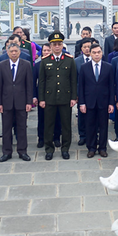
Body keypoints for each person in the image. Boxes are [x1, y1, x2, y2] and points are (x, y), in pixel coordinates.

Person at [39, 31, 78, 160]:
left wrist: (73, 97)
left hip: (65, 98)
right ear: (50, 46)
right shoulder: (45, 61)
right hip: (49, 99)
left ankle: (65, 148)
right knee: (48, 125)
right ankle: (49, 149)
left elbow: (73, 80)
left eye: (59, 44)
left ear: (62, 45)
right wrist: (41, 99)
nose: (57, 47)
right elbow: (42, 82)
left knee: (66, 125)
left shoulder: (69, 60)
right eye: (54, 44)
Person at [0, 42, 33, 162]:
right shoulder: (2, 65)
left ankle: (22, 151)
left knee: (22, 127)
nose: (14, 53)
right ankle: (7, 152)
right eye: (11, 51)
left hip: (21, 101)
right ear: (7, 52)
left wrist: (29, 102)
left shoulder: (26, 64)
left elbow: (29, 85)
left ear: (19, 52)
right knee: (6, 128)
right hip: (6, 102)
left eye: (16, 51)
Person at [78, 43, 115, 158]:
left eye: (98, 52)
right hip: (89, 102)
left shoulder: (108, 67)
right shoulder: (84, 67)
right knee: (90, 126)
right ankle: (91, 148)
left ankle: (102, 148)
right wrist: (82, 103)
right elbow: (81, 87)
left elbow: (111, 87)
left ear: (102, 53)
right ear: (90, 53)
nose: (96, 54)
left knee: (104, 126)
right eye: (94, 52)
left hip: (104, 101)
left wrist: (111, 103)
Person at [74, 38, 94, 146]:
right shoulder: (77, 61)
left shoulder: (97, 59)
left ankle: (93, 134)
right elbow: (74, 79)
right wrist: (76, 94)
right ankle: (82, 135)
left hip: (94, 93)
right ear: (81, 48)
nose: (87, 49)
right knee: (82, 115)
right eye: (85, 47)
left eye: (89, 47)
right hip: (81, 92)